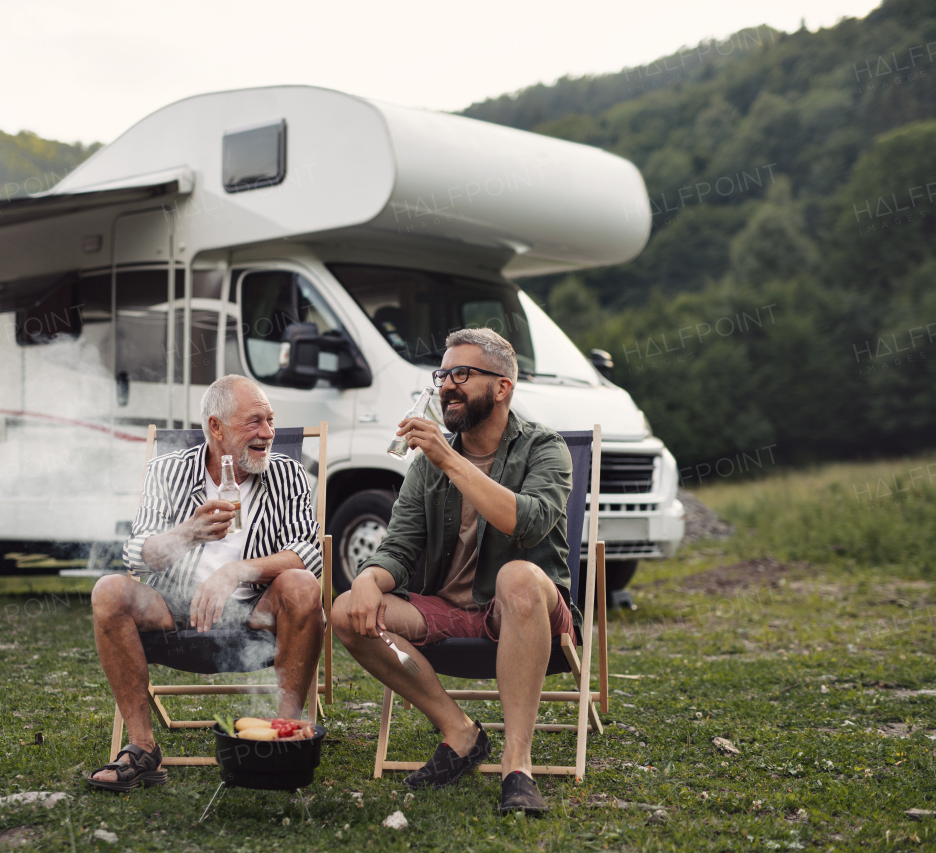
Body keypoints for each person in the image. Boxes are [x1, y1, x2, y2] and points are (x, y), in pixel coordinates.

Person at [331, 328, 577, 815]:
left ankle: (517, 766)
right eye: (443, 374)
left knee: (518, 577)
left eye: (462, 374)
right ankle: (460, 733)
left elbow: (526, 524)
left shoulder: (544, 448)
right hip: (446, 611)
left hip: (522, 612)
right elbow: (399, 547)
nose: (447, 385)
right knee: (345, 611)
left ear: (502, 386)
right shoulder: (427, 464)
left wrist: (447, 458)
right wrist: (364, 580)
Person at [87, 375, 324, 791]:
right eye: (255, 422)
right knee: (109, 590)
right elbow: (137, 553)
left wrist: (237, 570)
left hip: (255, 611)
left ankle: (285, 735)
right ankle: (142, 748)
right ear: (216, 427)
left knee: (303, 584)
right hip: (175, 606)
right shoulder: (169, 470)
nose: (268, 433)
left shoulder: (287, 475)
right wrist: (188, 532)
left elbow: (309, 552)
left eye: (271, 421)